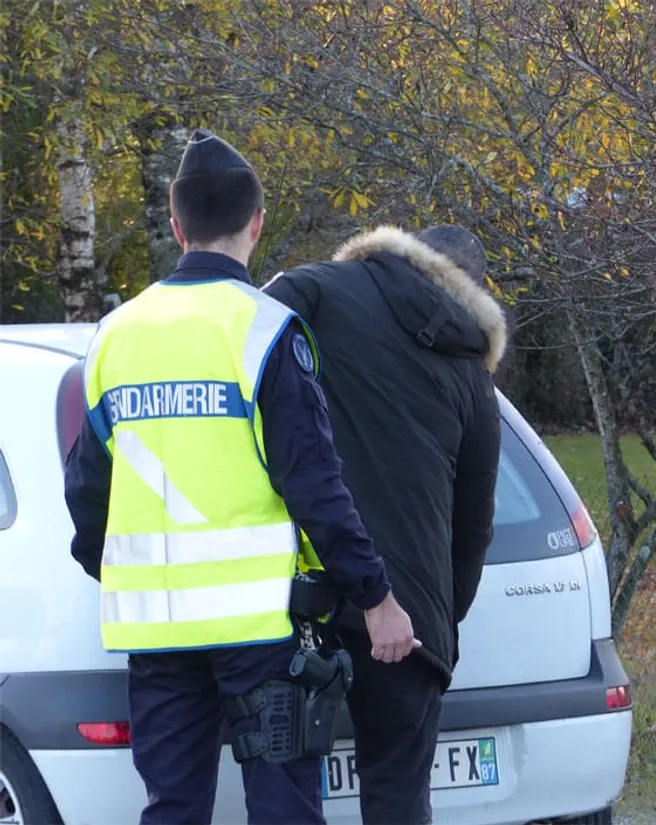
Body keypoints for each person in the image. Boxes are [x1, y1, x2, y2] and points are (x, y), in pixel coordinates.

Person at [62, 129, 420, 825]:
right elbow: (313, 483)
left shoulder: (114, 336)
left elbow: (86, 489)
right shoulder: (264, 333)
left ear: (175, 226)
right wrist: (374, 595)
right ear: (257, 223)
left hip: (157, 629)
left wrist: (113, 569)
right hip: (259, 626)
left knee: (173, 808)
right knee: (283, 808)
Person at [262, 222, 506, 824]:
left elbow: (240, 345)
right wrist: (442, 617)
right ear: (469, 288)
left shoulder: (318, 289)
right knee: (398, 792)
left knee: (283, 789)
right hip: (409, 611)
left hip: (299, 593)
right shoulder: (472, 375)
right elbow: (473, 526)